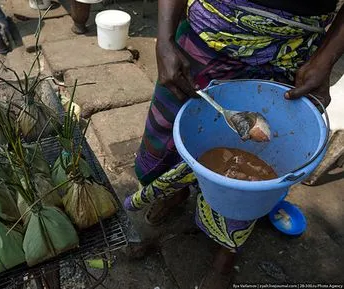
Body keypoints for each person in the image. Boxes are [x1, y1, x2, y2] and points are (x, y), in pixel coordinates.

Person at [124, 0, 344, 287]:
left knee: (255, 179)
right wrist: (164, 39)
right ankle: (173, 192)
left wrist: (325, 59)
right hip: (203, 40)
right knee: (167, 134)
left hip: (289, 55)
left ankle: (225, 255)